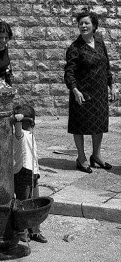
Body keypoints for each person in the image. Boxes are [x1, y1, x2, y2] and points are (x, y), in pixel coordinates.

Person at [64, 8, 116, 174]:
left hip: (99, 92)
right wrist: (74, 90)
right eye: (81, 23)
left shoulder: (100, 42)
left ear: (94, 26)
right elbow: (69, 72)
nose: (83, 26)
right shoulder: (75, 48)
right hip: (82, 93)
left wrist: (111, 85)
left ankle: (96, 155)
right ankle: (81, 157)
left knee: (99, 125)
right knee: (79, 126)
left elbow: (106, 65)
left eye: (87, 23)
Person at [13, 104, 47, 243]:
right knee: (23, 203)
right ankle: (22, 231)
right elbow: (19, 132)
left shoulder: (31, 134)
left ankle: (35, 230)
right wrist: (19, 122)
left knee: (35, 202)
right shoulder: (19, 134)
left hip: (33, 172)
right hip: (23, 172)